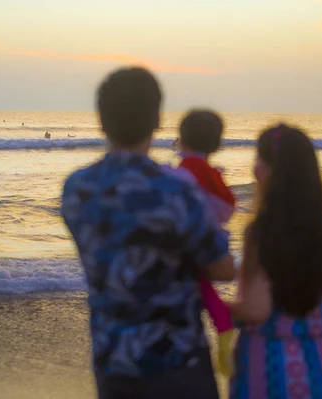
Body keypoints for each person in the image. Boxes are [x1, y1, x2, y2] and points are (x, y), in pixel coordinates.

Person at [61, 67, 236, 399]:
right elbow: (223, 268)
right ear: (158, 119)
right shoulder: (177, 192)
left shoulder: (76, 189)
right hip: (178, 361)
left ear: (100, 120)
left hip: (113, 359)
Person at [227, 124, 322, 399]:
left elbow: (256, 309)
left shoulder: (262, 231)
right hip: (316, 366)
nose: (253, 169)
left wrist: (202, 297)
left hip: (266, 368)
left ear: (269, 170)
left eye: (258, 159)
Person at [169, 109, 237, 377]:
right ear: (217, 144)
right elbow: (229, 206)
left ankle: (223, 327)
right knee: (204, 288)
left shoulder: (187, 170)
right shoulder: (207, 172)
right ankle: (223, 328)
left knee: (200, 285)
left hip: (194, 238)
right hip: (208, 238)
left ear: (181, 139)